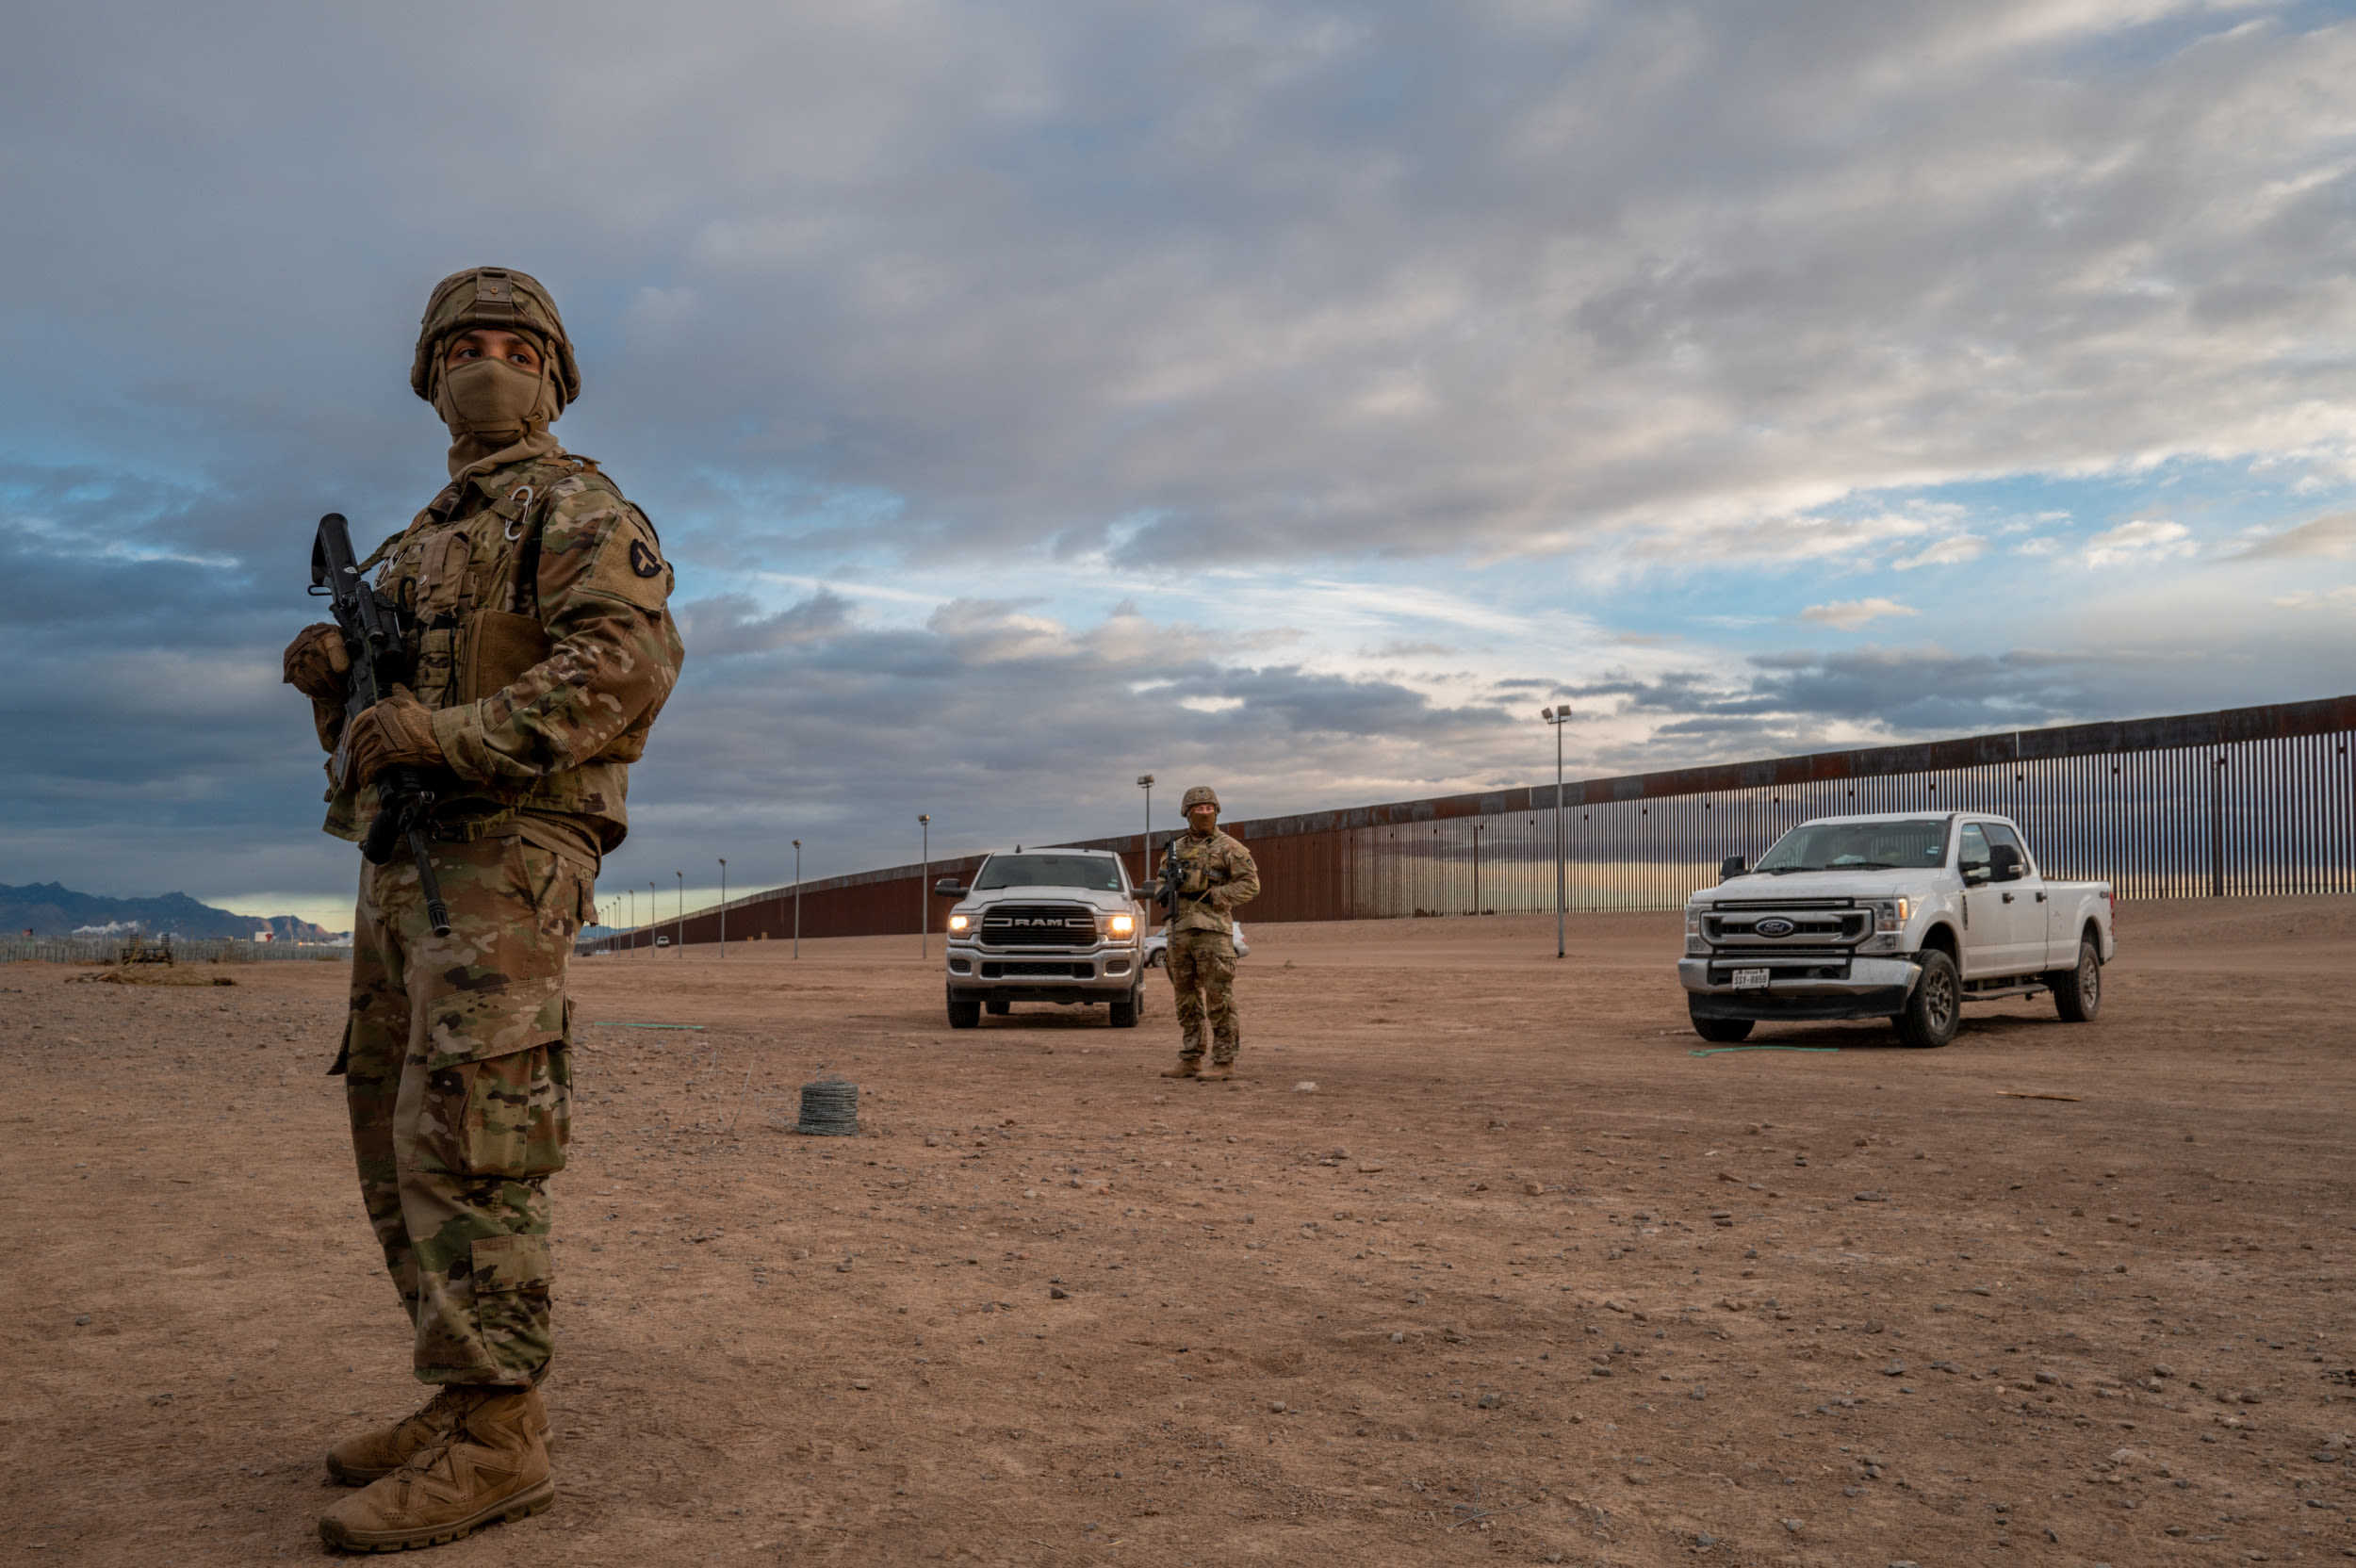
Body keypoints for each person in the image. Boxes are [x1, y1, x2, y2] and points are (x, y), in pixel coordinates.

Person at [281, 266, 684, 1552]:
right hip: (409, 860)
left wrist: (443, 730)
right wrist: (333, 693)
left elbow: (621, 670)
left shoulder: (577, 506)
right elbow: (369, 746)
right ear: (429, 375)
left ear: (554, 375)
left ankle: (502, 1439)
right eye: (463, 345)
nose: (488, 363)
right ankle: (462, 1398)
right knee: (394, 1127)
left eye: (515, 345)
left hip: (507, 853)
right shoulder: (417, 543)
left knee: (473, 1128)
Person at [1157, 785, 1260, 1080]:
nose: (1205, 813)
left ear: (1216, 811)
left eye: (1209, 808)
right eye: (1199, 809)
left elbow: (1251, 885)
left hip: (1213, 932)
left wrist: (1216, 894)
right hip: (1179, 931)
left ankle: (1224, 1061)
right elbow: (1161, 881)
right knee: (1185, 999)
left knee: (1219, 998)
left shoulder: (1230, 848)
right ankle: (1190, 1057)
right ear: (1187, 814)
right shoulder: (1174, 849)